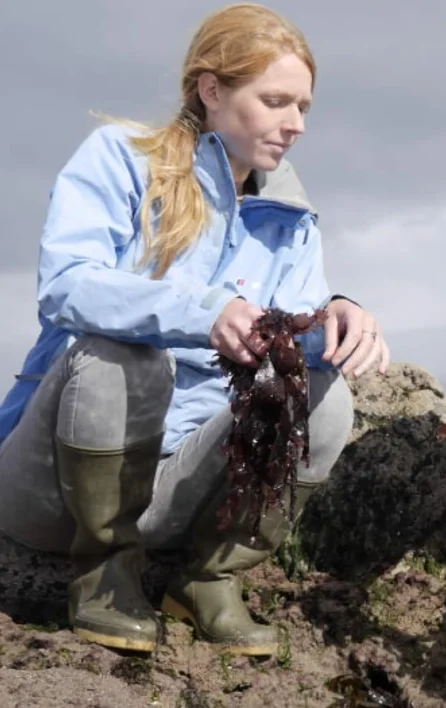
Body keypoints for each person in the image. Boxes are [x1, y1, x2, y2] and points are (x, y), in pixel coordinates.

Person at [0, 3, 389, 658]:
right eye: (276, 101)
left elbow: (287, 343)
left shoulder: (292, 220)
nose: (295, 125)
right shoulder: (119, 158)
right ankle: (103, 577)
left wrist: (337, 318)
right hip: (50, 487)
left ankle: (209, 578)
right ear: (212, 90)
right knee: (125, 349)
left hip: (182, 490)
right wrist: (200, 312)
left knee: (325, 394)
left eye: (305, 108)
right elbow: (66, 285)